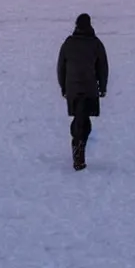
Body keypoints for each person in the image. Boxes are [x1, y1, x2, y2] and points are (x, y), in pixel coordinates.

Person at [57, 13, 109, 171]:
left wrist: (63, 87)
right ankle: (78, 152)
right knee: (83, 121)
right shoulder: (95, 43)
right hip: (89, 90)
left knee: (81, 120)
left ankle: (78, 150)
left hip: (73, 89)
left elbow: (61, 68)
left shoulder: (68, 43)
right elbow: (103, 68)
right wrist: (103, 87)